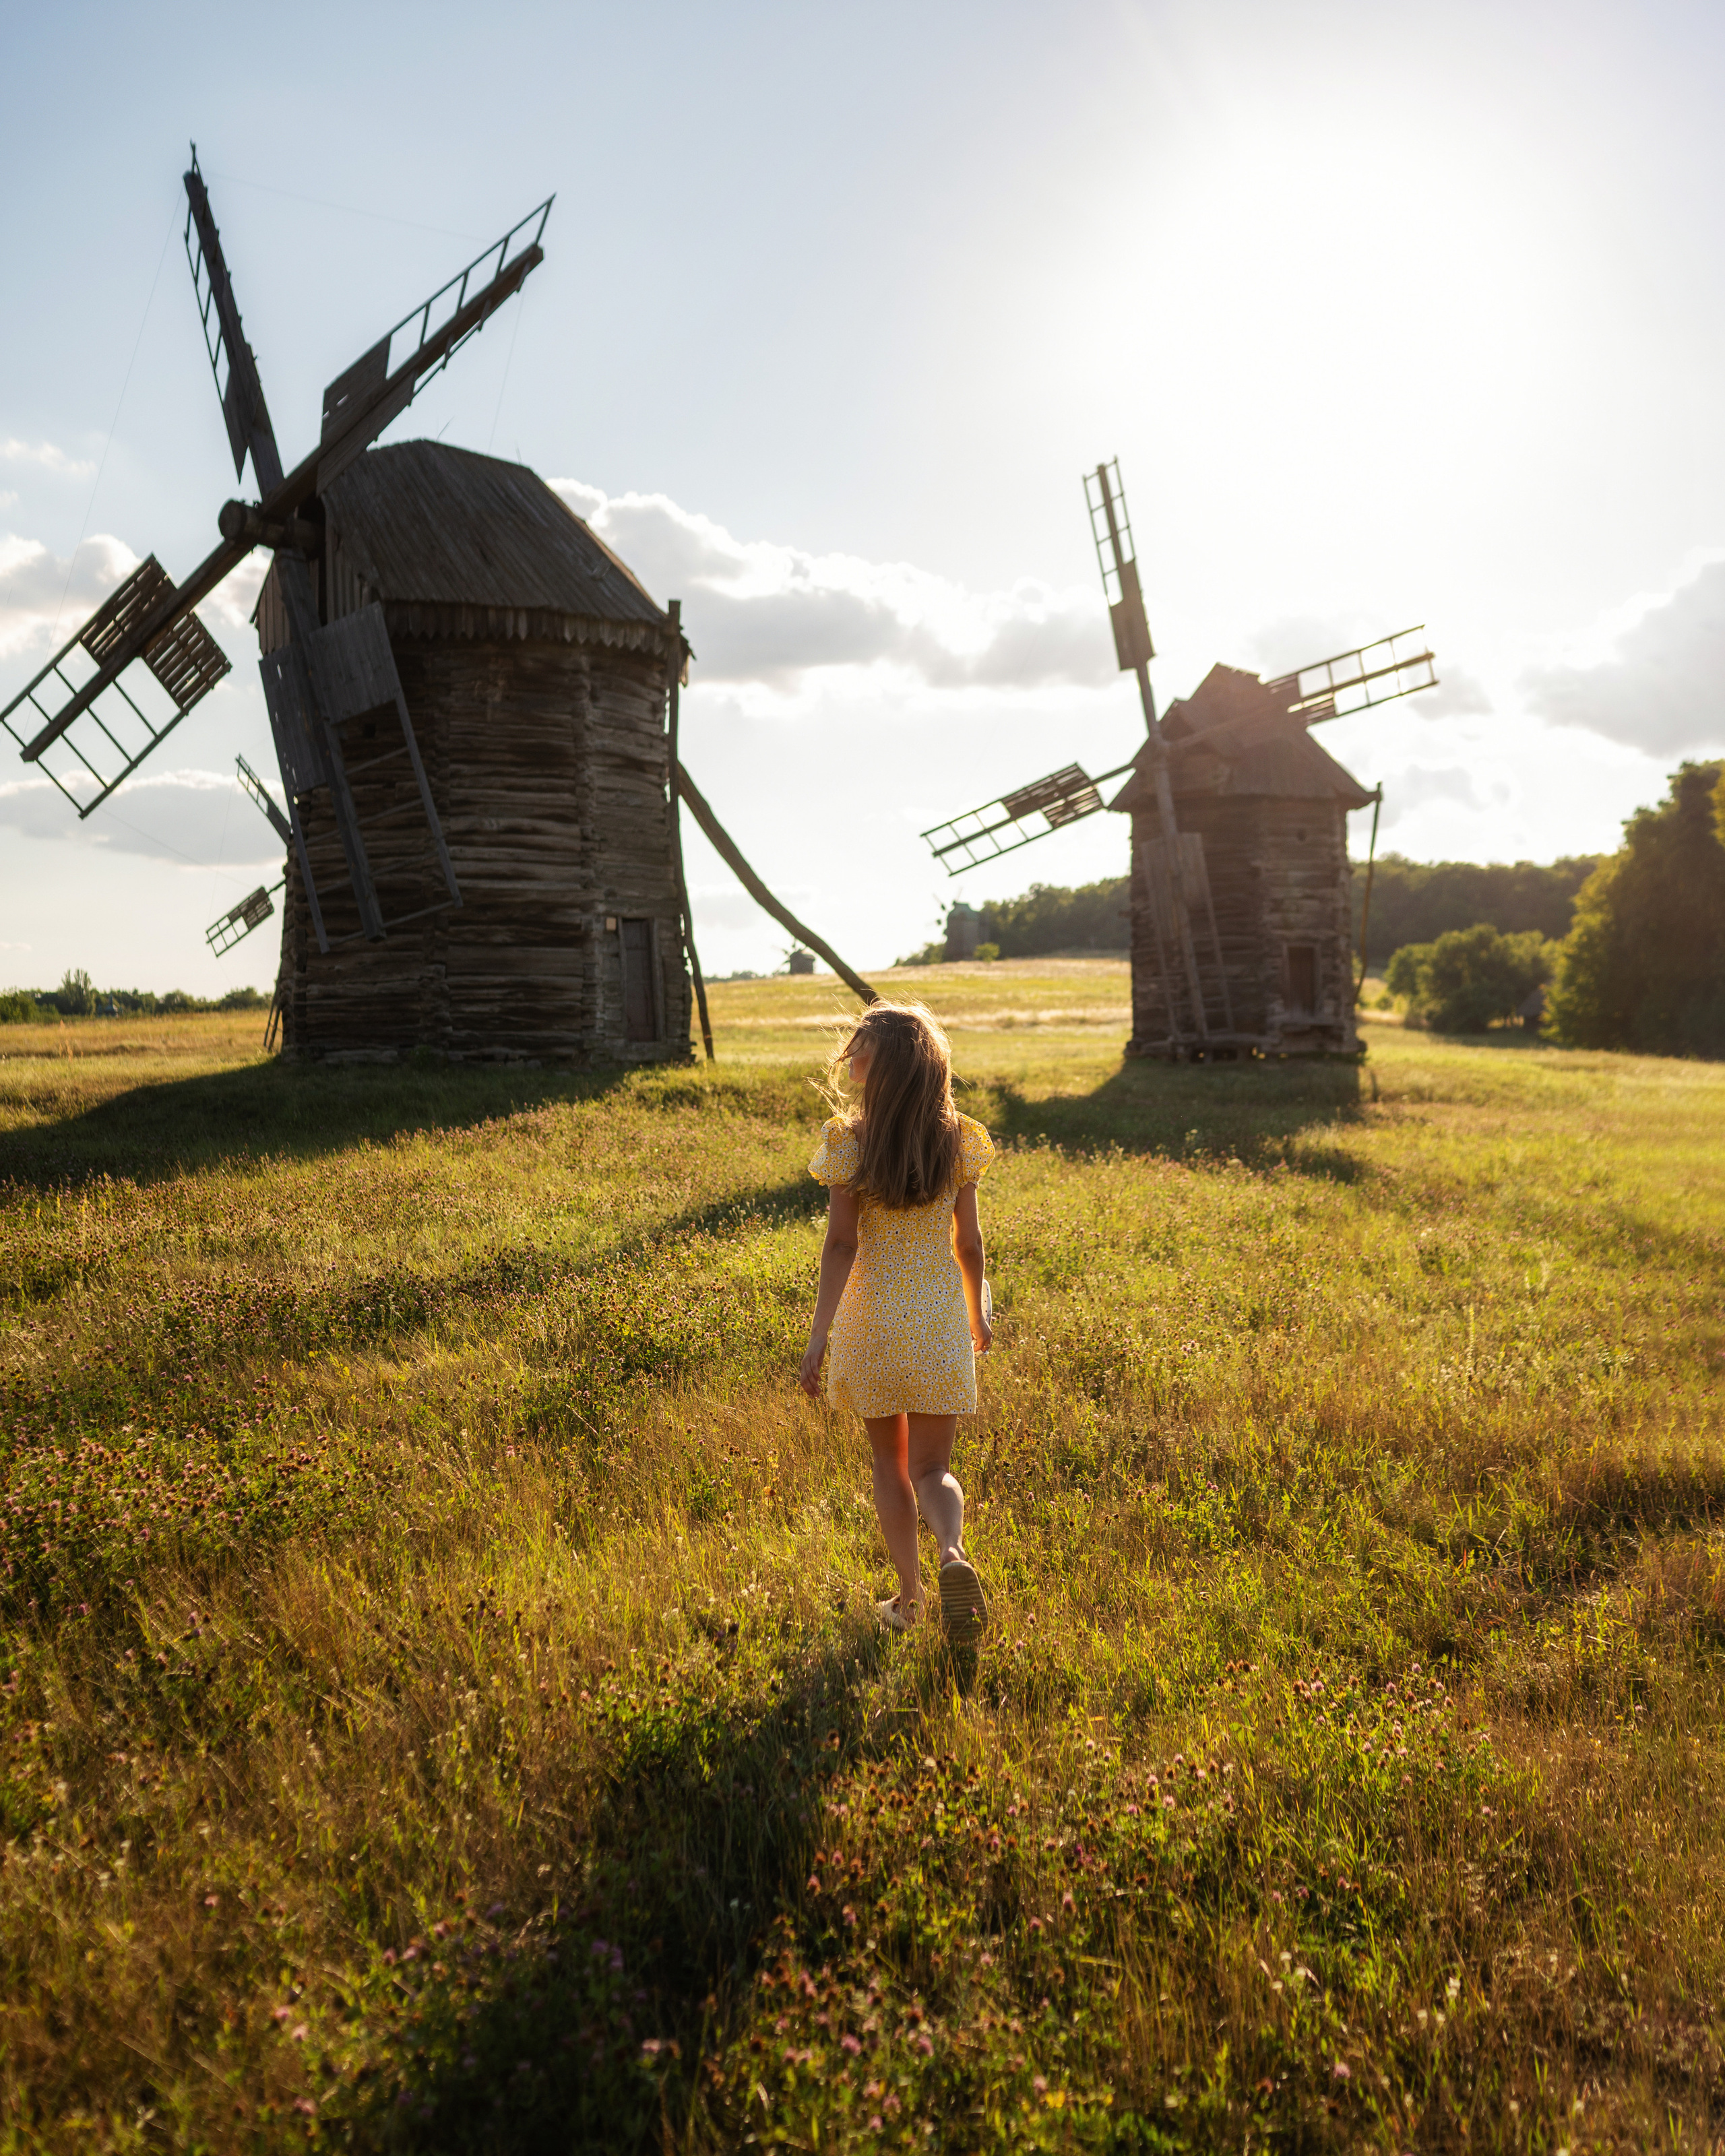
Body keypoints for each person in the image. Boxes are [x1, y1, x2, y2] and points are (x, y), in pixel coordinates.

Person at [796, 1001, 994, 1636]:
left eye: (859, 1052)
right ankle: (952, 1552)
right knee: (933, 1469)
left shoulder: (848, 1141)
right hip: (938, 1323)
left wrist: (819, 1336)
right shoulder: (958, 1138)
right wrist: (977, 1314)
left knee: (890, 1466)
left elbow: (841, 1245)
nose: (851, 1061)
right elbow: (969, 1245)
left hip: (872, 1325)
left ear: (879, 1066)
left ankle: (910, 1601)